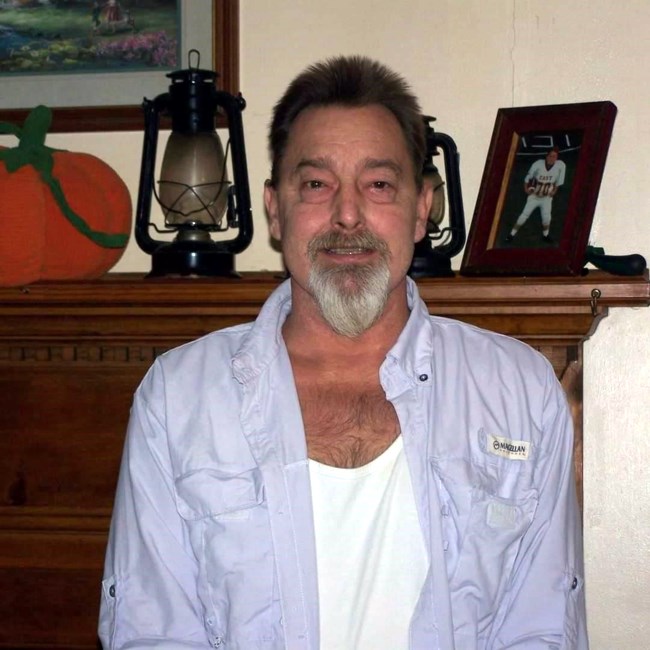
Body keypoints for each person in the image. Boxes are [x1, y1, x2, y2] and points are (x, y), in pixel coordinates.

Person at [99, 56, 588, 649]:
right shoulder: (177, 397)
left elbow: (542, 629)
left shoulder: (520, 392)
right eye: (316, 184)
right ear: (275, 209)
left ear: (421, 208)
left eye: (378, 184)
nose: (348, 215)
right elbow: (152, 632)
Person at [506, 146, 566, 243]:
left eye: (555, 156)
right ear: (546, 156)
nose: (552, 158)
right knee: (524, 215)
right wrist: (526, 189)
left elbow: (558, 182)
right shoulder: (538, 164)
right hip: (534, 196)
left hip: (546, 197)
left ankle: (545, 235)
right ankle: (511, 234)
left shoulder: (561, 166)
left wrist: (554, 191)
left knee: (547, 218)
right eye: (550, 156)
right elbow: (528, 178)